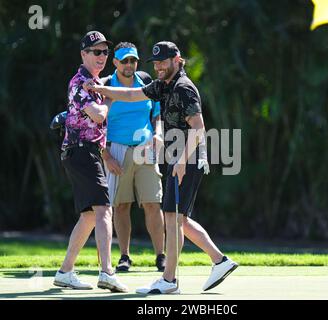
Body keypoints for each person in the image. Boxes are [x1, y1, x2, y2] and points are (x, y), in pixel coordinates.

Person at [83, 41, 238, 294]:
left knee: (173, 218)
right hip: (179, 159)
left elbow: (198, 129)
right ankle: (220, 261)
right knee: (180, 220)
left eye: (163, 62)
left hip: (187, 159)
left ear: (177, 60)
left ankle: (169, 280)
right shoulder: (163, 85)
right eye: (155, 64)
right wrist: (102, 88)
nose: (158, 67)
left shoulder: (183, 88)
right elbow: (133, 95)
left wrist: (180, 161)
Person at [53, 31, 128, 292]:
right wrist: (108, 96)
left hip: (83, 153)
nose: (101, 57)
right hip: (81, 152)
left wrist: (103, 89)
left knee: (88, 216)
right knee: (104, 209)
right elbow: (97, 116)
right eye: (96, 52)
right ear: (84, 54)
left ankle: (65, 271)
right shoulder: (81, 82)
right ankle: (107, 272)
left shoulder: (93, 82)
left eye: (105, 52)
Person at [101, 42, 166, 272]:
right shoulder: (106, 85)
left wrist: (158, 134)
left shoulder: (146, 81)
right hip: (116, 150)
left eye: (133, 60)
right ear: (115, 62)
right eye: (125, 60)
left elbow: (156, 114)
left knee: (152, 203)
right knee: (121, 206)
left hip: (145, 149)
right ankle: (124, 256)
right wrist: (106, 155)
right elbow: (95, 125)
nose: (130, 65)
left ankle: (161, 256)